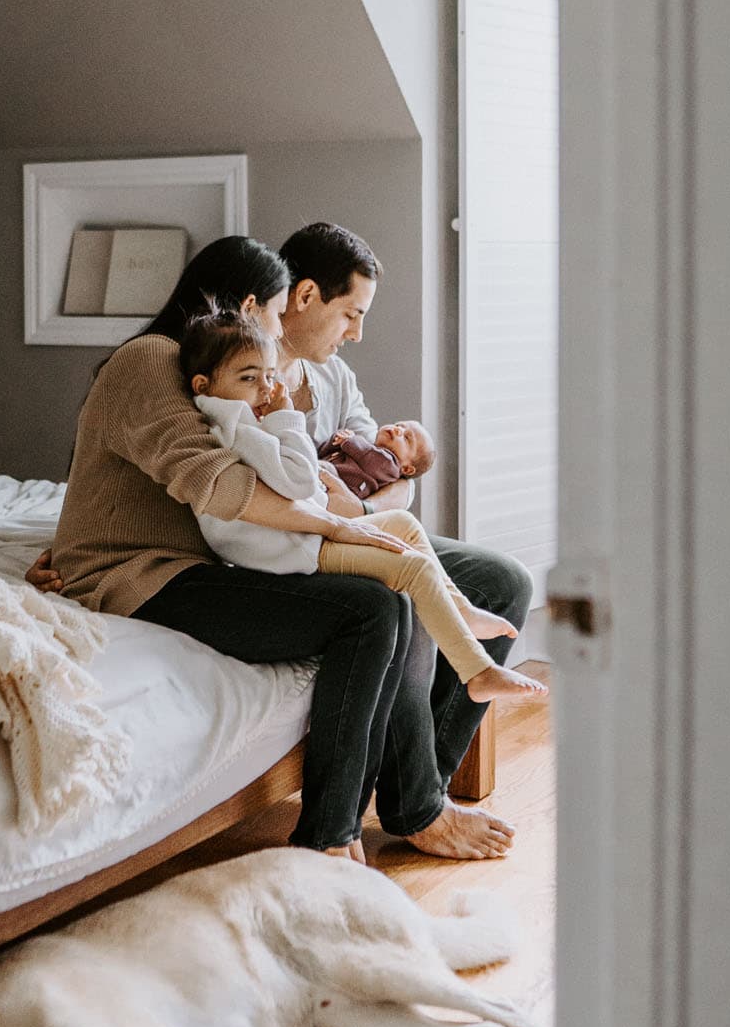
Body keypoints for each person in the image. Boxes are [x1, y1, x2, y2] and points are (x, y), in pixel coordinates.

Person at [28, 236, 413, 860]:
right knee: (368, 612)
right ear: (247, 305)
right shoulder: (151, 358)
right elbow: (216, 483)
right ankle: (329, 839)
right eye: (276, 313)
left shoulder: (214, 376)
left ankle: (349, 823)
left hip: (193, 567)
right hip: (143, 578)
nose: (279, 332)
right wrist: (333, 526)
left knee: (386, 598)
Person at [274, 221, 536, 861]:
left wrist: (362, 507)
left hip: (356, 522)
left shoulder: (332, 374)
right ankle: (419, 808)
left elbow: (399, 484)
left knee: (506, 580)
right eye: (351, 315)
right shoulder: (247, 371)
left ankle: (422, 788)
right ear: (304, 296)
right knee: (401, 584)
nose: (356, 333)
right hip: (303, 542)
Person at [181, 302, 546, 709]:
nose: (266, 389)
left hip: (306, 530)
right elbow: (300, 478)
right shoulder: (238, 428)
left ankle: (460, 608)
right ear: (203, 384)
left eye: (268, 376)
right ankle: (476, 671)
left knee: (405, 526)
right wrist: (286, 418)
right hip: (290, 547)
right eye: (250, 378)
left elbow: (358, 463)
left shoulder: (254, 411)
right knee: (413, 567)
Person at [319, 418, 435, 501]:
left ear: (407, 469)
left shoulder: (390, 467)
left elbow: (370, 457)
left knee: (323, 468)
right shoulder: (362, 447)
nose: (398, 430)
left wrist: (349, 441)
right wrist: (336, 440)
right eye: (398, 425)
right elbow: (325, 452)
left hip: (344, 492)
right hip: (327, 477)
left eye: (406, 438)